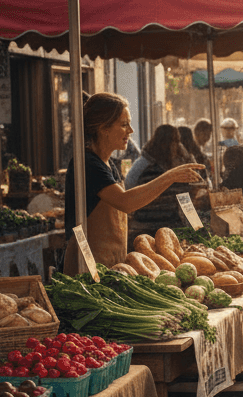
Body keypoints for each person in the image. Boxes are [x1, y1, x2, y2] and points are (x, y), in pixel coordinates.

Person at [63, 93, 204, 273]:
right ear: (103, 128)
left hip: (109, 265)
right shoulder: (87, 164)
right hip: (87, 268)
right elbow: (126, 202)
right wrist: (170, 177)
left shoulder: (108, 164)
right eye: (124, 124)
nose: (131, 130)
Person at [124, 123, 200, 234]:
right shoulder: (153, 170)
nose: (178, 146)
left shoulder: (149, 162)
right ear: (166, 144)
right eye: (175, 141)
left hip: (146, 226)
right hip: (156, 229)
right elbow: (184, 199)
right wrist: (197, 228)